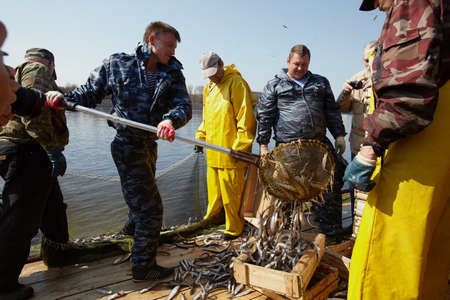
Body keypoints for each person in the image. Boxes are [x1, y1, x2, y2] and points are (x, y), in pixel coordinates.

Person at [48, 21, 192, 282]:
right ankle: (143, 267)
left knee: (140, 199)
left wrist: (170, 120)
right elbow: (88, 93)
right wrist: (60, 98)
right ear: (152, 40)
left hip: (150, 144)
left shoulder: (173, 72)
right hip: (126, 145)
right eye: (169, 45)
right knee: (150, 209)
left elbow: (183, 104)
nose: (173, 51)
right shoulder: (117, 63)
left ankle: (130, 234)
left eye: (174, 47)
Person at [345, 0, 450, 298]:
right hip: (441, 149)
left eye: (377, 2)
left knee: (384, 258)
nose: (379, 7)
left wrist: (370, 148)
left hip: (416, 143)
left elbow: (408, 90)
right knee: (428, 255)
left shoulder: (412, 2)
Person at [0, 21, 71, 300]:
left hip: (19, 149)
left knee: (51, 205)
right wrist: (52, 149)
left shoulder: (15, 72)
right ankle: (3, 285)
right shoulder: (39, 70)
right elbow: (36, 114)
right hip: (28, 150)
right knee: (20, 219)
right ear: (51, 64)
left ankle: (59, 250)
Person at [256, 44, 347, 239]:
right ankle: (285, 231)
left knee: (329, 186)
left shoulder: (320, 83)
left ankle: (329, 231)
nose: (300, 68)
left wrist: (339, 135)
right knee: (287, 192)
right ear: (288, 61)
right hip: (288, 150)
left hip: (319, 147)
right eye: (296, 64)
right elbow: (264, 116)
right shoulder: (275, 85)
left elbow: (332, 110)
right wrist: (263, 145)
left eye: (304, 65)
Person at [195, 51, 256, 240]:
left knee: (232, 196)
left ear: (222, 64)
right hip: (213, 152)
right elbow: (207, 117)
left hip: (231, 154)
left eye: (215, 71)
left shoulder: (236, 83)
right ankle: (212, 220)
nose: (213, 76)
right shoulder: (208, 88)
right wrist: (200, 137)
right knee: (214, 194)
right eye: (209, 74)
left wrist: (241, 147)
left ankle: (234, 229)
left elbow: (246, 119)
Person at [337, 40, 377, 227]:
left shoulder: (389, 79)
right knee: (349, 188)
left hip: (379, 149)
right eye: (365, 61)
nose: (367, 66)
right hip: (357, 146)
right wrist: (345, 92)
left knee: (375, 191)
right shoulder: (358, 78)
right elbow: (342, 108)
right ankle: (348, 224)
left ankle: (368, 228)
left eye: (370, 60)